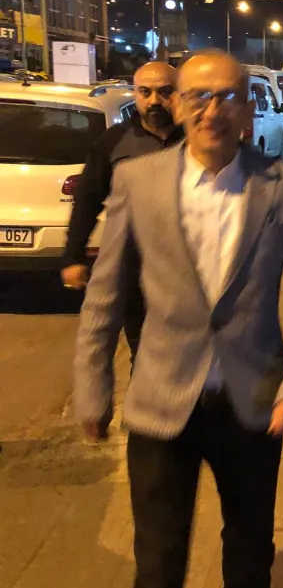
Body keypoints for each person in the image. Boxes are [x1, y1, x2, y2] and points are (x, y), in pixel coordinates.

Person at [74, 49, 283, 588]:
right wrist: (92, 385)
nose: (212, 110)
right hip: (160, 401)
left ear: (249, 109)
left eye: (228, 96)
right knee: (157, 567)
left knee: (250, 558)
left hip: (252, 403)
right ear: (178, 104)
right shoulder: (138, 180)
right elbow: (105, 293)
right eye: (198, 95)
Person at [62, 61, 184, 364]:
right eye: (145, 92)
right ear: (136, 94)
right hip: (135, 269)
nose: (154, 101)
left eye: (165, 92)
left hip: (190, 269)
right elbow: (87, 200)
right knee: (143, 353)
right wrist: (74, 256)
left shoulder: (197, 139)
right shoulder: (114, 142)